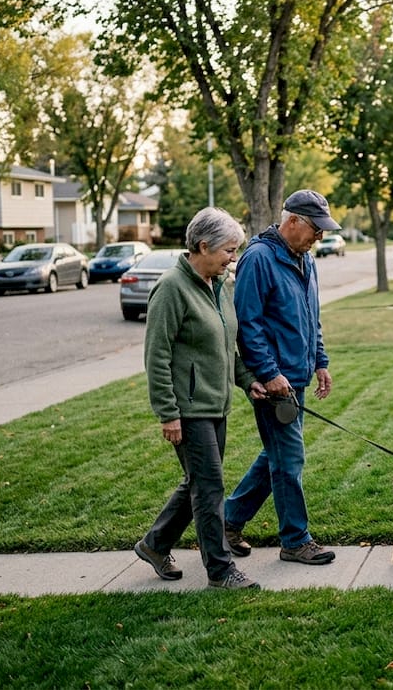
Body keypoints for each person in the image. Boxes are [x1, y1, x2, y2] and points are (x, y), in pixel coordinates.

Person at [135, 207, 266, 590]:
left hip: (216, 404)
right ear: (203, 245)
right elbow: (156, 356)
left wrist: (248, 380)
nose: (233, 258)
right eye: (228, 250)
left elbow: (225, 347)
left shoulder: (220, 286)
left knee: (198, 481)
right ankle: (220, 571)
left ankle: (155, 544)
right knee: (209, 488)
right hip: (188, 410)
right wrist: (168, 414)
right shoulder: (172, 288)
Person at [224, 189, 341, 565]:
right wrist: (269, 373)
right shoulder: (258, 259)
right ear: (292, 222)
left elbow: (312, 317)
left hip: (298, 377)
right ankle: (295, 540)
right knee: (289, 460)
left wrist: (320, 360)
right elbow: (249, 326)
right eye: (315, 229)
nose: (319, 237)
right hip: (275, 385)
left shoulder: (305, 259)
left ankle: (228, 520)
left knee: (275, 456)